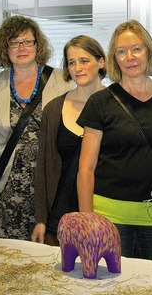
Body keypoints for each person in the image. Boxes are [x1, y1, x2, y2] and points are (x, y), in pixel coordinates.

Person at [77, 20, 152, 260]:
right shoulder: (100, 102)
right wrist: (87, 219)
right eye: (121, 52)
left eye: (137, 49)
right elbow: (86, 167)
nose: (130, 57)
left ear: (149, 51)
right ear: (114, 58)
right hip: (108, 218)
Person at [0, 16, 73, 241]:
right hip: (7, 189)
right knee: (8, 259)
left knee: (50, 256)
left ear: (37, 45)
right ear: (5, 48)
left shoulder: (62, 81)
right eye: (14, 42)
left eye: (27, 41)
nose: (21, 48)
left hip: (50, 186)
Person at [31, 35, 107, 245]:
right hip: (61, 219)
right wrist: (40, 219)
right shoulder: (54, 109)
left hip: (104, 216)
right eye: (71, 62)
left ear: (101, 62)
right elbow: (43, 168)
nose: (77, 68)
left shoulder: (116, 107)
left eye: (84, 61)